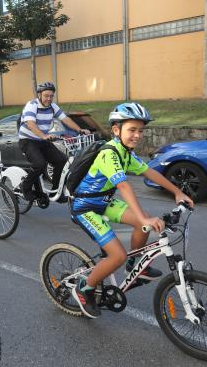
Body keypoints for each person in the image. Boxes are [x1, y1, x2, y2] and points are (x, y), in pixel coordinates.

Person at [69, 103, 194, 318]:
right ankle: (84, 287)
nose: (137, 135)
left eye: (140, 130)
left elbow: (150, 173)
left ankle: (134, 267)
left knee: (142, 225)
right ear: (116, 130)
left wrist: (177, 192)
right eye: (132, 130)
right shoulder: (109, 154)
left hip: (104, 201)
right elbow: (124, 186)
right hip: (85, 207)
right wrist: (144, 216)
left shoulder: (126, 153)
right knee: (116, 254)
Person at [18, 82, 90, 204]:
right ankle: (25, 187)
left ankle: (55, 191)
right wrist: (44, 135)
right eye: (46, 96)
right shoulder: (32, 105)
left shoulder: (53, 106)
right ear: (39, 95)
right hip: (28, 141)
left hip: (42, 140)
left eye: (51, 96)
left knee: (62, 160)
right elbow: (31, 123)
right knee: (39, 164)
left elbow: (65, 119)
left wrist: (79, 130)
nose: (49, 99)